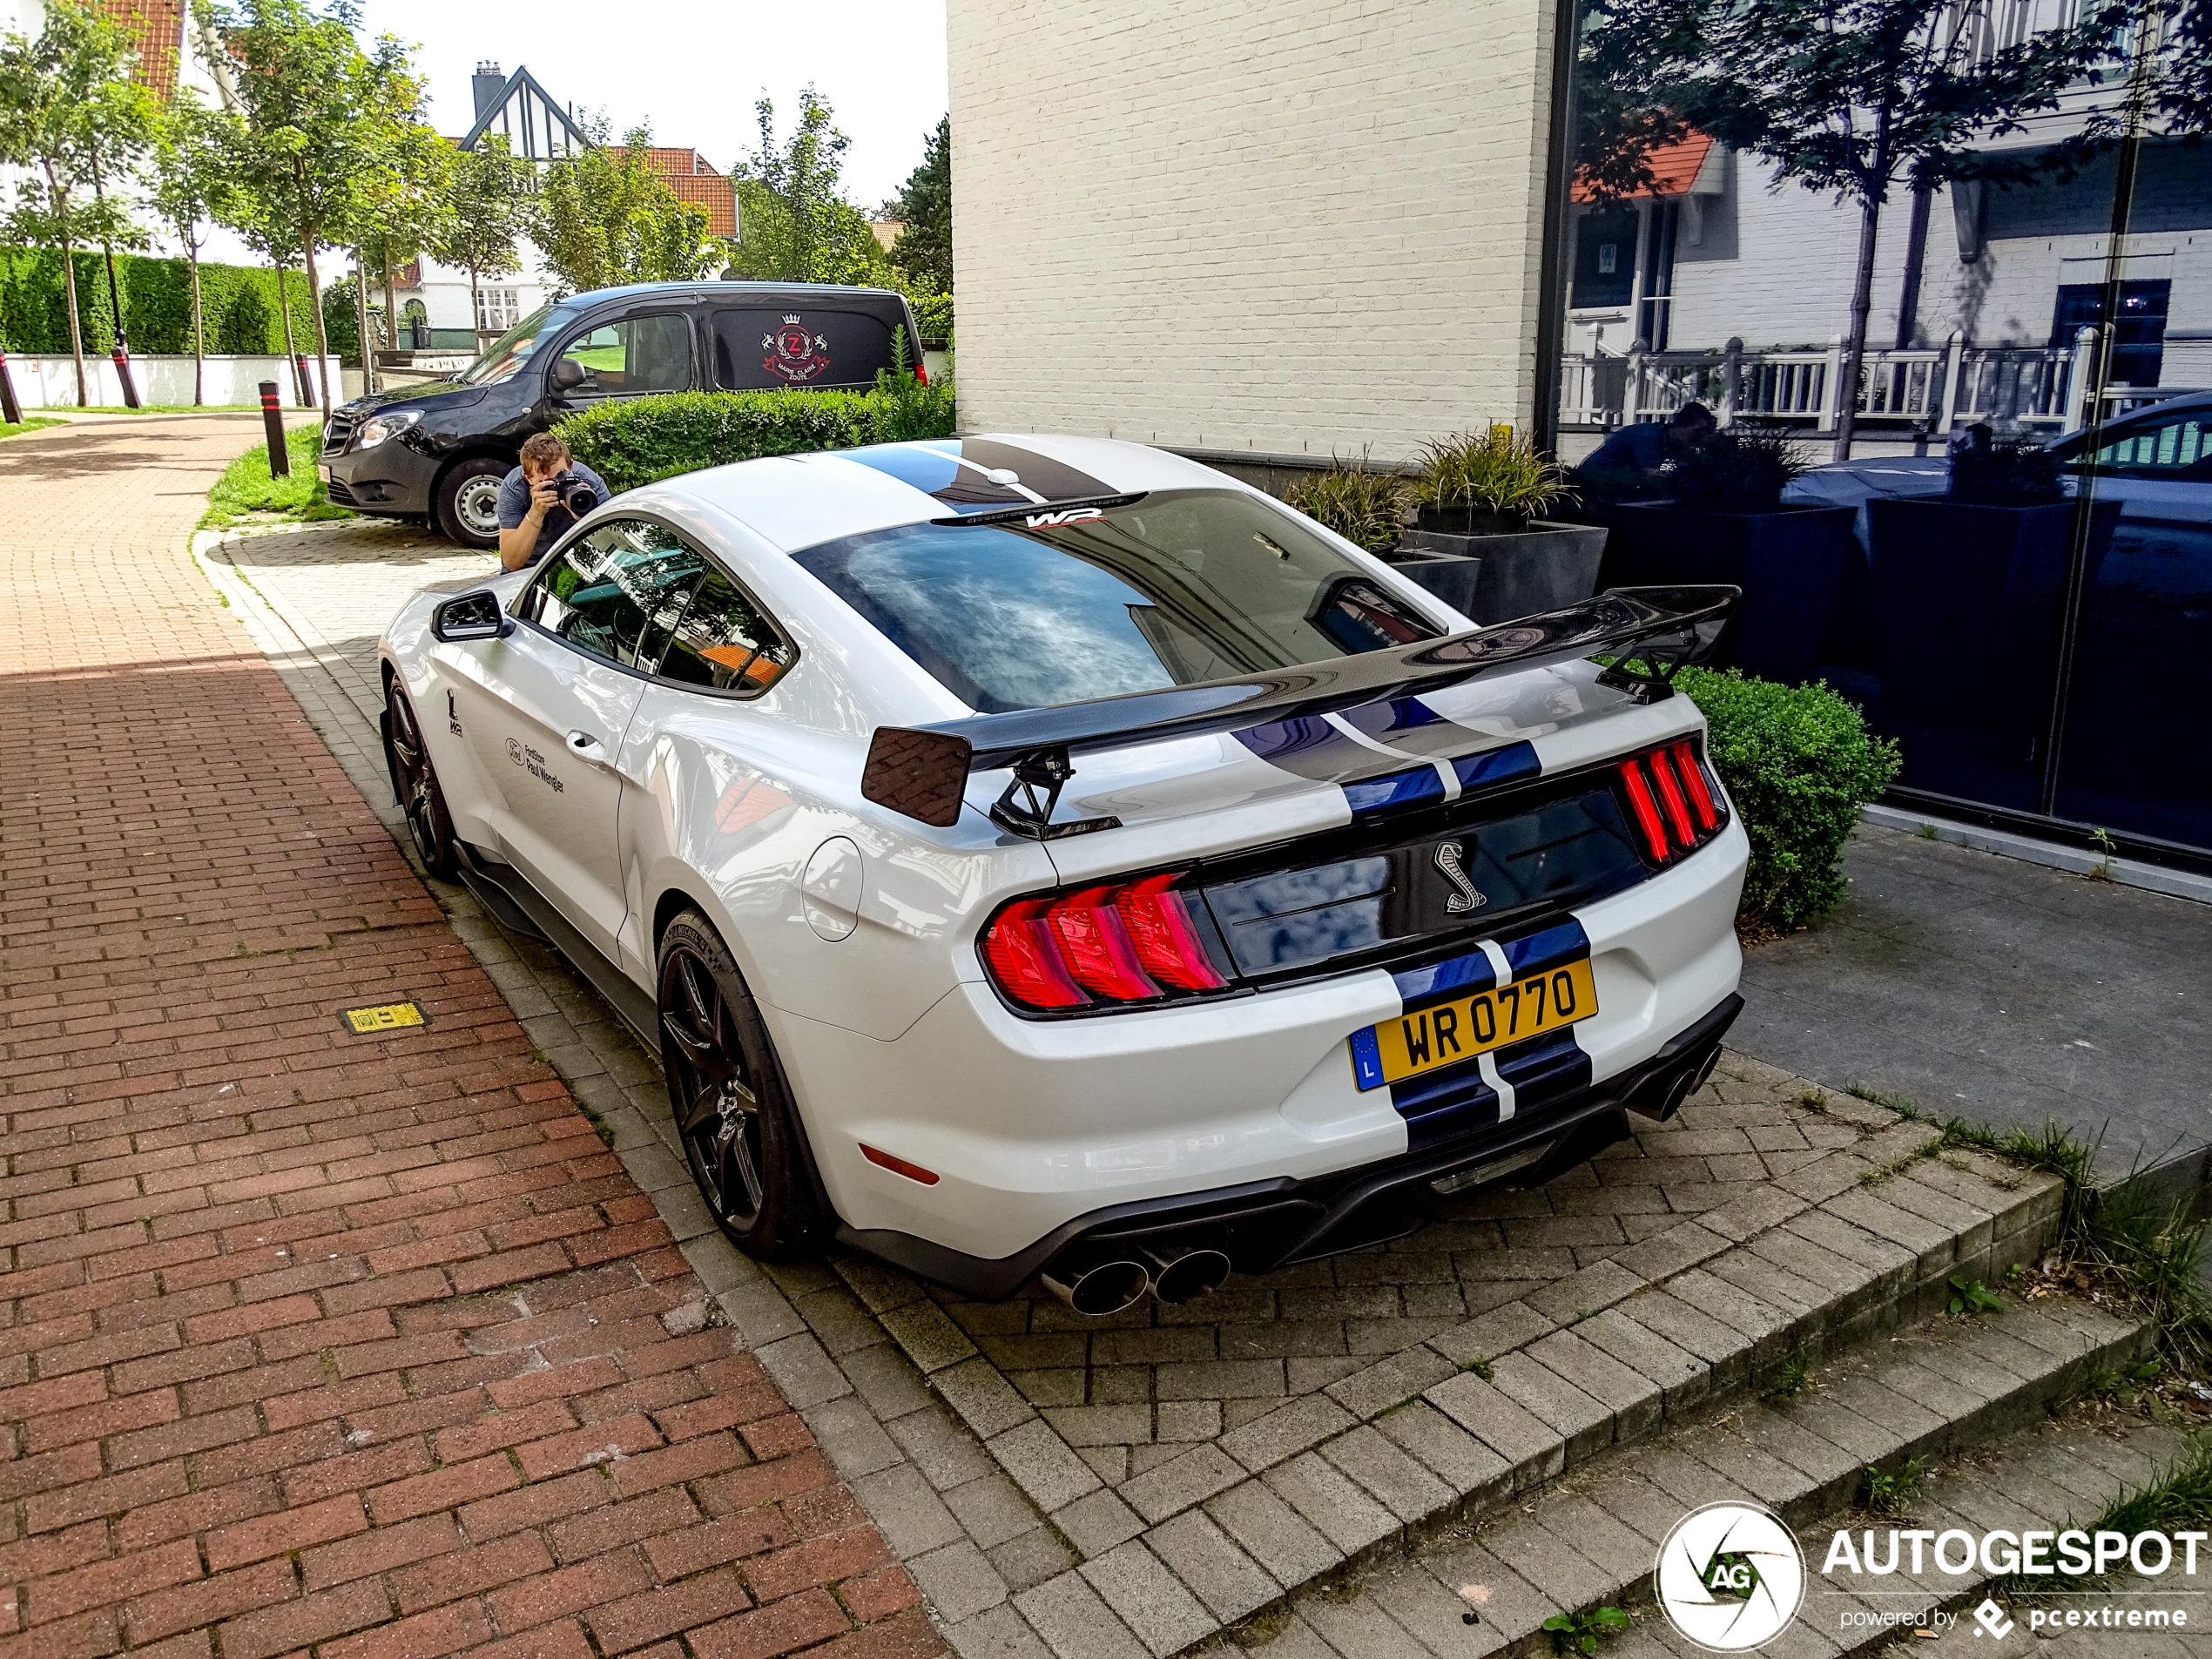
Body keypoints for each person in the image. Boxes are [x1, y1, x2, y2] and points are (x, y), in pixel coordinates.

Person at [498, 431, 610, 571]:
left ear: (571, 467)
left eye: (561, 476)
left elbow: (613, 544)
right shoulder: (515, 487)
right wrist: (535, 514)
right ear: (528, 478)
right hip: (529, 567)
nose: (557, 485)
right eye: (547, 483)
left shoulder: (589, 483)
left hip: (576, 564)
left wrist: (586, 520)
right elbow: (512, 562)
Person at [1579, 401, 1717, 481]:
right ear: (1681, 425)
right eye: (1697, 431)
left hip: (1618, 479)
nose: (1700, 437)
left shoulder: (1666, 437)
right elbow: (1650, 475)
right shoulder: (1648, 438)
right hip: (1596, 477)